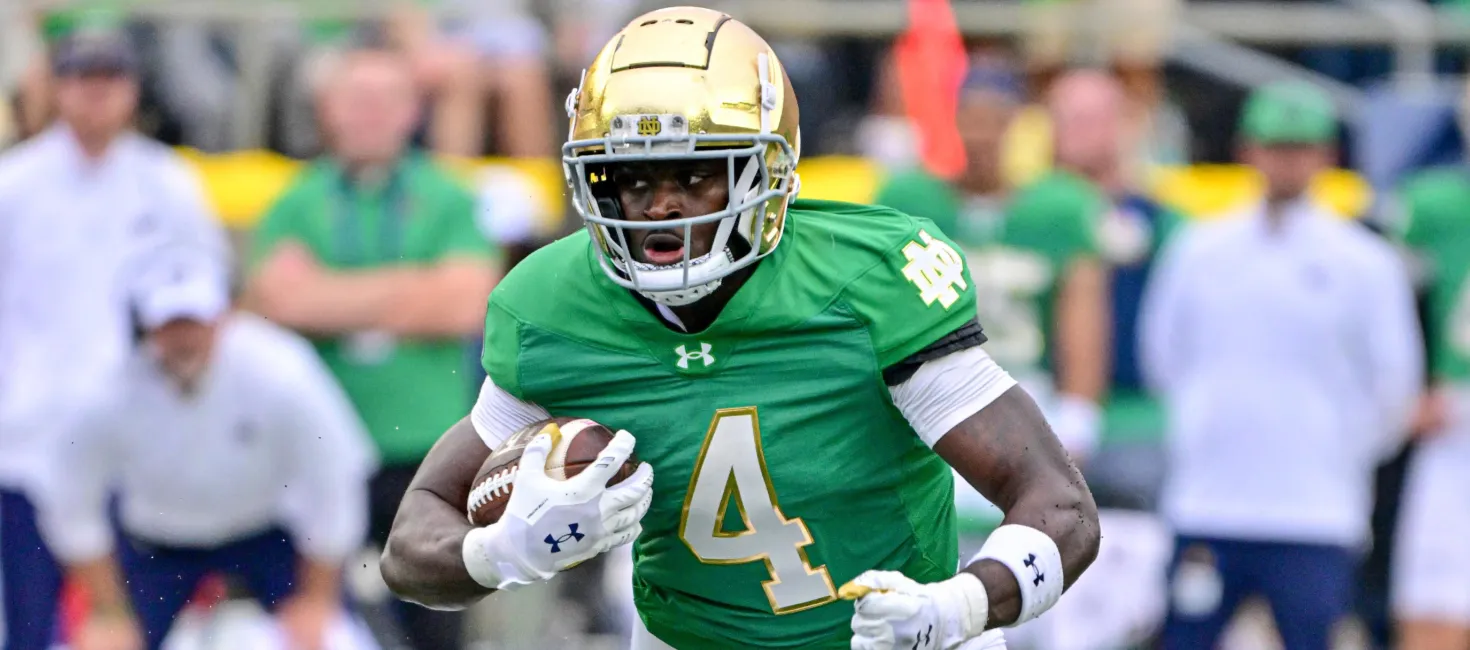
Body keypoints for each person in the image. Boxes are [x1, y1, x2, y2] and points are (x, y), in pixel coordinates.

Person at [379, 7, 1101, 650]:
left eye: (695, 174)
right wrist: (502, 553)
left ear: (765, 174)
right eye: (631, 177)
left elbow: (1061, 506)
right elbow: (413, 539)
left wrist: (957, 607)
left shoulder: (868, 281)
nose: (660, 207)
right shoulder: (554, 307)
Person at [1139, 80, 1423, 650]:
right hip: (1209, 502)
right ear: (1247, 150)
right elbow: (1162, 358)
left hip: (1316, 510)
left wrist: (1338, 451)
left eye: (1300, 147)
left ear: (1327, 156)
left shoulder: (1365, 261)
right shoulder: (1199, 249)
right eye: (1275, 146)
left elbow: (1396, 385)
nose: (1286, 162)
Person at [243, 43, 497, 650]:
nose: (371, 114)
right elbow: (274, 302)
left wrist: (326, 296)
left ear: (413, 111)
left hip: (428, 452)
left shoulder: (448, 196)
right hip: (319, 447)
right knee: (317, 623)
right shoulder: (296, 200)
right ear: (328, 109)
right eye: (356, 99)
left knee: (436, 621)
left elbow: (465, 303)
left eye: (387, 99)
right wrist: (414, 290)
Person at [0, 29, 226, 650]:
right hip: (27, 433)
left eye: (110, 80)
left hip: (135, 438)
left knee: (138, 616)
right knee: (28, 619)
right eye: (82, 79)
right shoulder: (14, 184)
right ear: (57, 88)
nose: (95, 95)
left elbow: (206, 299)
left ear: (131, 90)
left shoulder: (167, 182)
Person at [36, 247, 377, 650]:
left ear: (223, 316)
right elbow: (71, 504)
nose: (185, 338)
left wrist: (316, 600)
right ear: (145, 325)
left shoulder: (281, 371)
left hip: (269, 534)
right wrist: (108, 611)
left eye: (195, 321)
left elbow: (334, 478)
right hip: (154, 544)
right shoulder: (103, 389)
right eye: (170, 323)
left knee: (336, 640)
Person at [876, 63, 1112, 464]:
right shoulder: (908, 200)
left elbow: (1082, 316)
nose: (981, 136)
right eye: (971, 119)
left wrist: (1078, 414)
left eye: (995, 121)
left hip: (1026, 392)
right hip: (928, 394)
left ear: (1019, 125)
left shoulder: (1061, 207)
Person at [1385, 137, 1470, 650]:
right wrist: (1412, 387)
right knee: (1432, 604)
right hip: (1454, 410)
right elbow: (1381, 298)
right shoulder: (1432, 203)